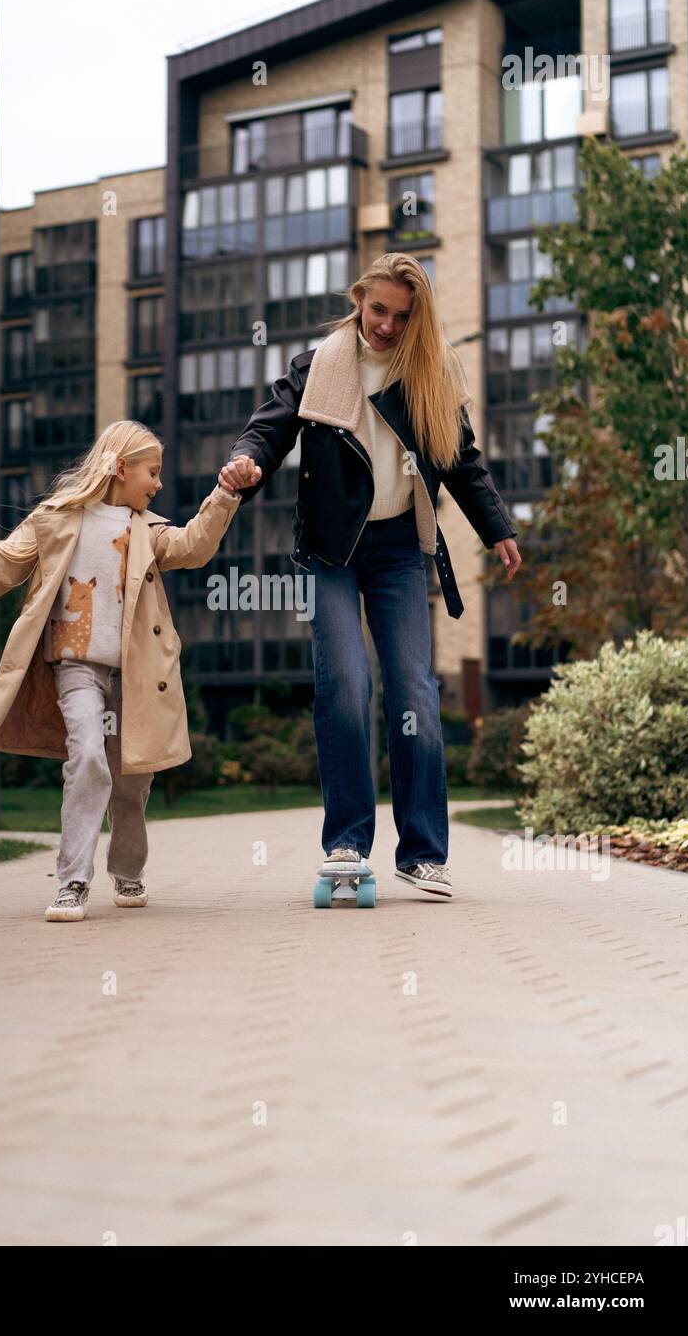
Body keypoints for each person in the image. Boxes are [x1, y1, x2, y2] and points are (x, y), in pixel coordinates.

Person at [218, 251, 522, 903]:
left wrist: (496, 527)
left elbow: (461, 459)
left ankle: (422, 854)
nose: (386, 325)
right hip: (332, 548)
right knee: (346, 683)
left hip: (397, 550)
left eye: (401, 316)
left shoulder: (428, 374)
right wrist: (245, 462)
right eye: (378, 309)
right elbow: (271, 427)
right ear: (360, 297)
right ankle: (347, 841)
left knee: (414, 690)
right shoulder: (321, 363)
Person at [0, 421, 253, 922]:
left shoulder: (148, 531)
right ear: (120, 467)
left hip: (133, 674)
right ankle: (72, 881)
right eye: (152, 473)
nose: (158, 484)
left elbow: (194, 547)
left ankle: (129, 870)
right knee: (88, 757)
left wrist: (225, 494)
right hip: (75, 666)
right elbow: (0, 563)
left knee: (132, 780)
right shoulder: (57, 520)